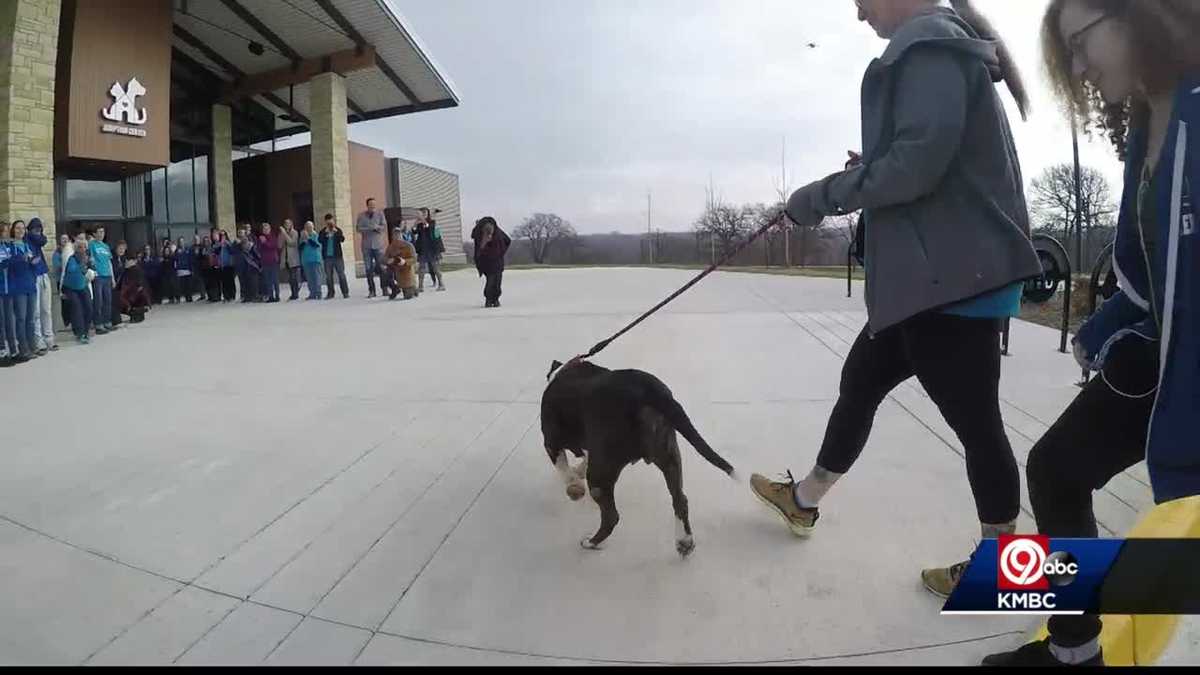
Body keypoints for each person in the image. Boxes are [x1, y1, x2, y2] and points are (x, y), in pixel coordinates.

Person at [748, 0, 1041, 599]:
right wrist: (874, 167)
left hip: (950, 282)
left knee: (978, 427)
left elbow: (914, 169)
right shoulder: (934, 49)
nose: (859, 14)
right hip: (923, 283)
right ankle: (803, 500)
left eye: (861, 1)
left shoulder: (930, 48)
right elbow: (928, 160)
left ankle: (1004, 572)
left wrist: (820, 195)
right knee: (860, 384)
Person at [982, 0, 1200, 667]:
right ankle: (1073, 652)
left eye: (1080, 44)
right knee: (1056, 468)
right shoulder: (1147, 125)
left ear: (1142, 15)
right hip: (1163, 359)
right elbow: (1147, 274)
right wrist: (1101, 330)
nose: (1077, 69)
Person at [25, 218, 56, 354]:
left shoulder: (39, 242)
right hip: (33, 276)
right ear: (30, 230)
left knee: (46, 309)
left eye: (39, 230)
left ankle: (49, 339)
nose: (38, 232)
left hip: (43, 275)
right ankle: (38, 341)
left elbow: (42, 241)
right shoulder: (26, 241)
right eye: (35, 230)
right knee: (36, 311)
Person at [471, 216, 511, 308]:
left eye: (491, 233)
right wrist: (484, 243)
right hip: (486, 262)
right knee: (490, 281)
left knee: (497, 282)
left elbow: (507, 240)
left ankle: (496, 299)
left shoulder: (498, 233)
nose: (489, 236)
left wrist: (502, 252)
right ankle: (488, 299)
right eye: (487, 234)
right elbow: (478, 251)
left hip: (497, 260)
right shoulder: (479, 235)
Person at [61, 234, 93, 345]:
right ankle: (80, 333)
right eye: (80, 247)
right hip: (70, 287)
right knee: (77, 309)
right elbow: (71, 269)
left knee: (89, 308)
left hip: (82, 286)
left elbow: (90, 270)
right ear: (76, 248)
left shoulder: (87, 258)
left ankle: (86, 330)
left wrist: (90, 269)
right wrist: (82, 264)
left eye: (84, 247)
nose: (82, 249)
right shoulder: (72, 258)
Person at [356, 197, 387, 298]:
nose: (372, 206)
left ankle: (385, 288)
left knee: (382, 267)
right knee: (368, 269)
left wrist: (377, 227)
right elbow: (358, 228)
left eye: (374, 204)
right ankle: (372, 290)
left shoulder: (380, 214)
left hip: (378, 245)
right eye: (371, 205)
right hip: (366, 246)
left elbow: (384, 227)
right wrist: (369, 229)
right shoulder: (361, 216)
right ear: (367, 205)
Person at [88, 226, 115, 333]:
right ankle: (98, 324)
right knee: (98, 301)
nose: (101, 234)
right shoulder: (92, 244)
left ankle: (107, 322)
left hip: (107, 275)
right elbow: (90, 259)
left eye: (103, 232)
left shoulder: (106, 246)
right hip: (98, 276)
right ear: (94, 234)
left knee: (108, 300)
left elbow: (109, 262)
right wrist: (94, 270)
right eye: (99, 232)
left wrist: (112, 278)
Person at [414, 208, 447, 293]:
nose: (423, 214)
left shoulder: (432, 222)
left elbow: (429, 227)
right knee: (421, 268)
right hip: (423, 248)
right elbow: (414, 232)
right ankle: (420, 286)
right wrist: (415, 224)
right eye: (422, 213)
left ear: (428, 213)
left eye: (424, 212)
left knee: (435, 267)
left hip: (432, 248)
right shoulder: (419, 224)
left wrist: (422, 220)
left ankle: (441, 284)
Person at [319, 214, 351, 300]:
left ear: (333, 221)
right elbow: (320, 240)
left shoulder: (337, 230)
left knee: (341, 275)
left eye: (331, 221)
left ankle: (345, 292)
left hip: (337, 257)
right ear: (325, 222)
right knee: (328, 276)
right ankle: (330, 293)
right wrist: (326, 233)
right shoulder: (323, 231)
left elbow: (342, 239)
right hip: (327, 257)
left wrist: (335, 232)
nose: (330, 223)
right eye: (328, 221)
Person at [383, 226, 418, 300]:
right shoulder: (391, 247)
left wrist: (405, 261)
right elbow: (384, 258)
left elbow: (414, 259)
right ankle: (395, 288)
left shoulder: (408, 246)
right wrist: (388, 260)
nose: (397, 236)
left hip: (406, 271)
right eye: (395, 234)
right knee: (384, 272)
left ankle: (413, 288)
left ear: (401, 235)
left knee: (408, 296)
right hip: (396, 269)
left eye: (398, 234)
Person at [118, 257, 153, 324]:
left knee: (130, 299)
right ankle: (136, 314)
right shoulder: (126, 270)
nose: (126, 262)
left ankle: (137, 314)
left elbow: (140, 283)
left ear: (134, 261)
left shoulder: (136, 270)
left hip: (135, 292)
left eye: (128, 261)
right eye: (126, 261)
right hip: (131, 292)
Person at [299, 221, 324, 301]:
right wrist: (303, 241)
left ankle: (318, 293)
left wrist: (308, 238)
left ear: (313, 227)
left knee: (316, 277)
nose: (308, 228)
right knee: (309, 278)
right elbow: (300, 248)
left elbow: (316, 245)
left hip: (315, 259)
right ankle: (312, 293)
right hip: (306, 260)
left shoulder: (315, 235)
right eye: (306, 227)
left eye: (310, 227)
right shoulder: (302, 237)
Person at [259, 222, 282, 303]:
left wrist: (265, 242)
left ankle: (277, 296)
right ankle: (270, 296)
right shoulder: (261, 238)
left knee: (275, 279)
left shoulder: (273, 236)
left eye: (267, 229)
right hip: (265, 261)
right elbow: (259, 248)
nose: (265, 230)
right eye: (264, 229)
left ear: (269, 229)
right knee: (267, 280)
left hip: (273, 260)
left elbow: (273, 246)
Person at [52, 234, 72, 331]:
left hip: (71, 280)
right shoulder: (57, 253)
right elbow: (57, 266)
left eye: (66, 239)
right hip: (61, 280)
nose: (65, 240)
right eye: (62, 238)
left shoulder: (71, 250)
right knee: (65, 303)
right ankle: (66, 323)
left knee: (71, 302)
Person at [280, 219, 302, 301]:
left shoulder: (294, 232)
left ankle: (295, 293)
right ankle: (293, 292)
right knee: (290, 278)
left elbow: (292, 243)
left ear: (291, 224)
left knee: (293, 277)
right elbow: (279, 245)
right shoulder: (282, 234)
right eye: (285, 224)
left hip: (293, 258)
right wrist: (282, 235)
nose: (286, 225)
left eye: (288, 223)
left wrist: (285, 234)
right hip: (285, 259)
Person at [110, 240, 129, 327]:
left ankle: (118, 318)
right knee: (114, 301)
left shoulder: (123, 258)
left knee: (118, 300)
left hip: (120, 283)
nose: (121, 250)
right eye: (120, 248)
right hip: (112, 281)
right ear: (116, 248)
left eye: (123, 249)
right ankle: (115, 320)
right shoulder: (112, 257)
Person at [240, 229, 262, 303]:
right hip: (244, 267)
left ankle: (255, 296)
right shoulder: (239, 246)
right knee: (246, 282)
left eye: (245, 237)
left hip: (252, 266)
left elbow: (257, 255)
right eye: (242, 237)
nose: (244, 238)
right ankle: (247, 297)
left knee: (254, 283)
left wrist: (259, 264)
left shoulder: (252, 245)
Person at [216, 230, 237, 302]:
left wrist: (227, 244)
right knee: (224, 282)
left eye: (224, 235)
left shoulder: (229, 243)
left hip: (229, 264)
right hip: (222, 265)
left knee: (230, 281)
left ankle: (232, 295)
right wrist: (220, 245)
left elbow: (232, 251)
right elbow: (216, 252)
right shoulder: (219, 244)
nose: (223, 237)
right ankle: (226, 296)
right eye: (221, 235)